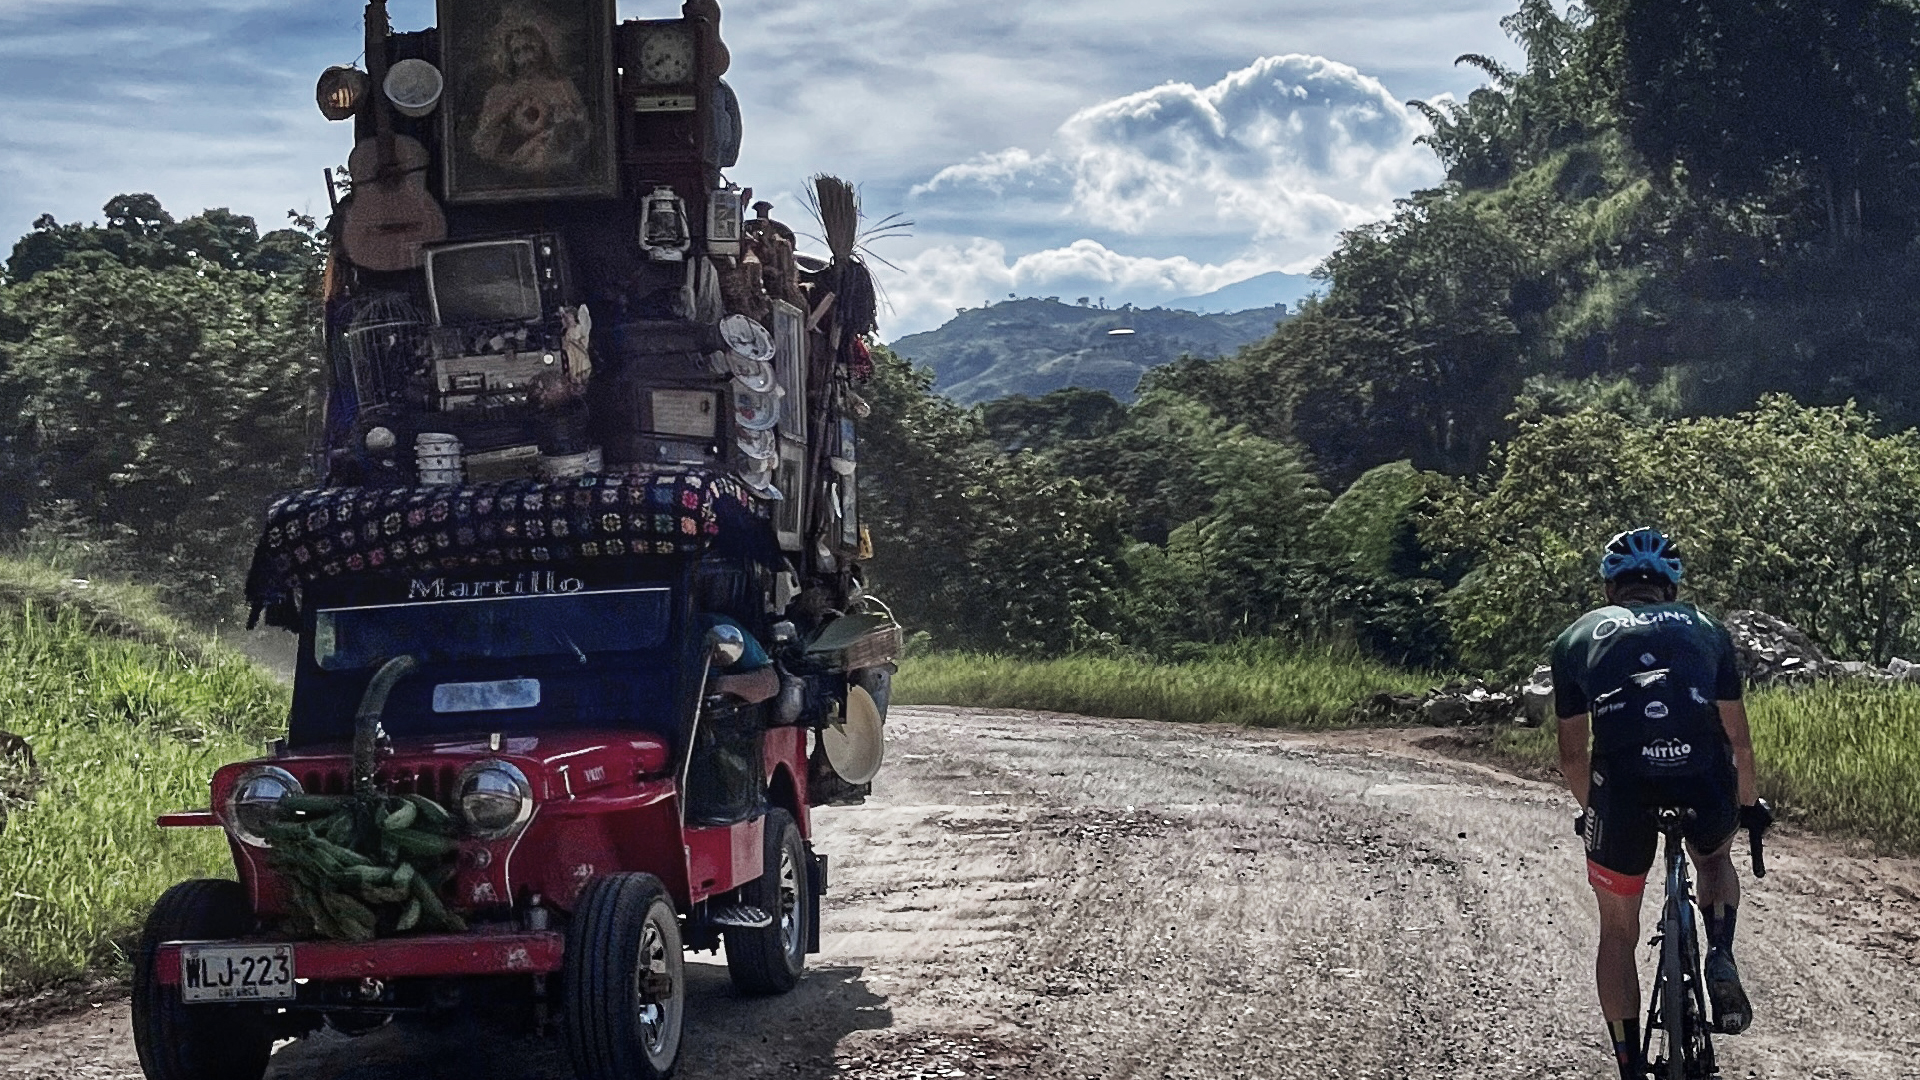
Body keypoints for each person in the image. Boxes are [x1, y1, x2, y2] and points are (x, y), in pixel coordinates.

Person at [1551, 528, 1773, 1079]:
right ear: (1671, 589)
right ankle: (1719, 948)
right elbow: (1739, 742)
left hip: (1622, 788)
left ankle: (1628, 1065)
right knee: (1715, 858)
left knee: (1618, 931)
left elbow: (1574, 758)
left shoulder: (1576, 637)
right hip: (1701, 777)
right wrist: (1749, 807)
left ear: (1609, 587)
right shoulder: (1706, 628)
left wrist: (1592, 811)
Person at [469, 19, 591, 177]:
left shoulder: (562, 85)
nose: (525, 59)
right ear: (510, 57)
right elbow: (482, 143)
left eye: (528, 49)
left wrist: (567, 121)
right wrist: (504, 109)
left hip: (558, 167)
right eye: (517, 52)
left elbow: (583, 130)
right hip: (510, 170)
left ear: (541, 50)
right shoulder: (499, 92)